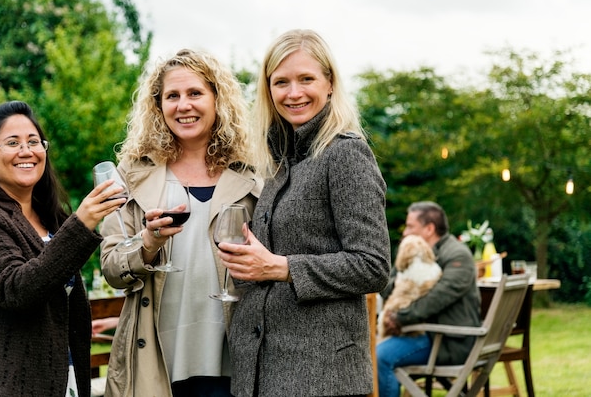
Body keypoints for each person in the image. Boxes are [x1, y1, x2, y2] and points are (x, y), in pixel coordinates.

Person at [216, 29, 391, 396]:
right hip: (261, 371)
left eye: (306, 79)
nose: (293, 93)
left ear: (329, 83)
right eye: (281, 82)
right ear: (268, 90)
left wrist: (281, 268)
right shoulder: (281, 161)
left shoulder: (345, 154)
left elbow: (373, 266)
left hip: (321, 375)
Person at [99, 49, 261, 397]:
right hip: (155, 362)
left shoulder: (253, 176)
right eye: (172, 96)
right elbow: (112, 269)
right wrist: (147, 244)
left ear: (218, 100)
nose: (183, 105)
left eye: (195, 93)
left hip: (233, 358)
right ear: (158, 107)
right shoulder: (131, 176)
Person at [0, 100, 123, 397]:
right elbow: (17, 290)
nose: (27, 151)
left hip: (64, 379)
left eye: (34, 141)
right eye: (12, 143)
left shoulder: (51, 217)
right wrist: (83, 222)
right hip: (5, 384)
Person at [376, 201, 481, 397]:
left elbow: (436, 299)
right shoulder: (411, 252)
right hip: (420, 333)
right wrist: (402, 279)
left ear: (429, 229)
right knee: (362, 353)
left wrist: (399, 317)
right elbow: (386, 288)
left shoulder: (458, 255)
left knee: (379, 358)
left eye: (410, 226)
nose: (405, 233)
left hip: (448, 341)